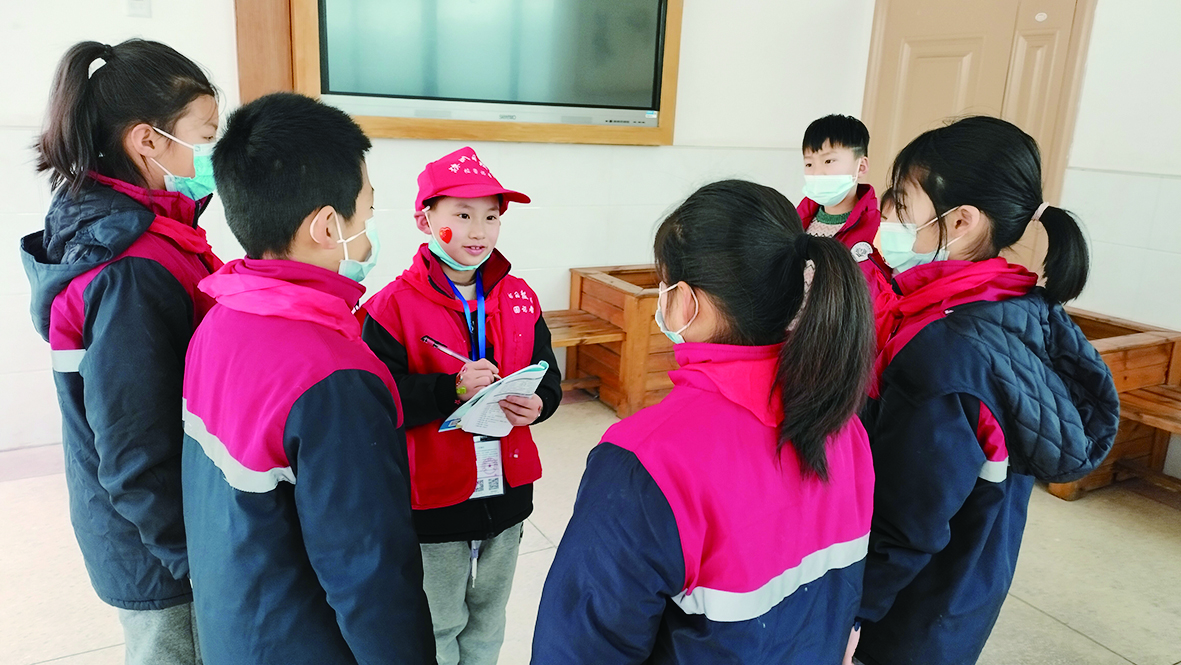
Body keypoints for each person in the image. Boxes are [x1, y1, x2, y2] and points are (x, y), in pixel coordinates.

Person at [531, 179, 876, 664]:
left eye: (664, 283)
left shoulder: (646, 459)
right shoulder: (842, 423)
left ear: (687, 301)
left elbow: (581, 648)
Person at [855, 116, 1120, 664]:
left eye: (901, 203)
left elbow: (909, 522)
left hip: (907, 611)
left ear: (961, 221)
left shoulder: (942, 352)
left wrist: (852, 616)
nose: (886, 217)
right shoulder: (1015, 304)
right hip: (968, 583)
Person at [180, 92, 434, 664]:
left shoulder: (219, 319)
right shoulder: (334, 377)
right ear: (326, 225)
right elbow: (369, 577)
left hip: (235, 625)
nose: (367, 233)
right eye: (366, 213)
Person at [20, 38, 222, 665]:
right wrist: (193, 560)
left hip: (152, 528)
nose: (213, 153)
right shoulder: (132, 267)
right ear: (147, 141)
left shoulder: (144, 230)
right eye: (206, 135)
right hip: (157, 549)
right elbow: (132, 446)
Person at [361, 146, 562, 665]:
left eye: (491, 217)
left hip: (509, 489)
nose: (480, 231)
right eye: (463, 215)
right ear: (425, 220)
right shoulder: (390, 307)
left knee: (490, 617)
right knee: (439, 621)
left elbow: (548, 376)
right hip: (436, 498)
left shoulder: (520, 297)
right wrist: (449, 388)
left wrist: (539, 404)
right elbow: (376, 402)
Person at [797, 113, 891, 286]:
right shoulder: (795, 222)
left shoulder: (880, 228)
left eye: (828, 161)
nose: (817, 172)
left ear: (861, 167)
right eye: (809, 164)